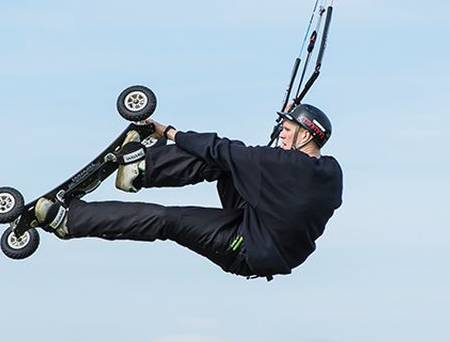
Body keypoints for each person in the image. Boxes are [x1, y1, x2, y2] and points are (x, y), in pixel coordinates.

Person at [33, 103, 343, 278]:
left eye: (288, 130)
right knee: (227, 164)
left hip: (250, 249)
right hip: (263, 224)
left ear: (306, 134)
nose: (283, 135)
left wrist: (167, 131)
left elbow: (222, 148)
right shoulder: (330, 172)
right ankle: (141, 169)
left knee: (169, 219)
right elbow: (270, 166)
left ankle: (69, 220)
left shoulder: (280, 164)